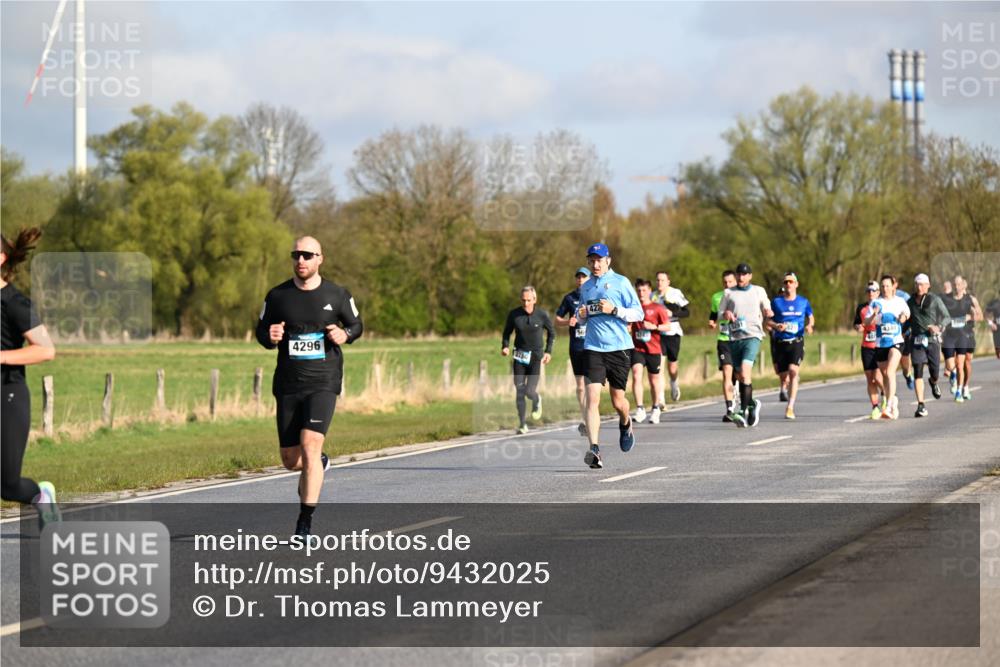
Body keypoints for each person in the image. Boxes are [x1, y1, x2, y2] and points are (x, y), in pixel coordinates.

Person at [256, 236, 363, 536]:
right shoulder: (277, 296)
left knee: (311, 444)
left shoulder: (337, 294)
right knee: (291, 460)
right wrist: (270, 335)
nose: (300, 260)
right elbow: (261, 331)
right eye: (296, 254)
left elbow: (357, 325)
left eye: (307, 255)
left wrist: (346, 335)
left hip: (324, 381)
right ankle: (320, 463)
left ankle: (305, 522)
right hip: (289, 384)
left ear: (320, 259)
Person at [1, 228, 60, 529]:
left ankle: (41, 496)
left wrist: (2, 356)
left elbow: (46, 350)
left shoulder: (14, 303)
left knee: (7, 485)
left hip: (8, 395)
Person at [576, 243, 643, 469]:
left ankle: (625, 422)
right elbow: (583, 315)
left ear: (608, 261)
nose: (595, 264)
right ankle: (594, 449)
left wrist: (614, 310)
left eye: (599, 260)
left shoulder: (621, 282)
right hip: (593, 348)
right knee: (592, 398)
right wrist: (581, 314)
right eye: (591, 260)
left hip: (619, 349)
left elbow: (638, 312)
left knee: (618, 401)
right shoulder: (585, 288)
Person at [718, 263, 774, 428]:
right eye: (739, 275)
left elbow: (766, 305)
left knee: (744, 370)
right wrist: (726, 314)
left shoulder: (758, 290)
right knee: (740, 377)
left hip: (753, 336)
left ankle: (742, 411)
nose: (741, 277)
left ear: (750, 276)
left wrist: (768, 311)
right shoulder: (728, 293)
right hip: (735, 338)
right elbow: (720, 313)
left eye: (744, 274)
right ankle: (751, 404)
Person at [502, 286, 555, 434]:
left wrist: (548, 352)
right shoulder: (514, 315)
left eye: (529, 300)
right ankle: (522, 424)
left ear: (535, 300)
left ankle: (536, 399)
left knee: (529, 391)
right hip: (519, 357)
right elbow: (506, 332)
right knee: (519, 390)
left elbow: (551, 333)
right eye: (523, 300)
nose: (526, 303)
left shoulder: (542, 315)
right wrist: (505, 346)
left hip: (535, 358)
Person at [769, 272, 814, 420]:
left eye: (791, 282)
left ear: (796, 284)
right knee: (782, 375)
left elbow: (811, 318)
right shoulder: (776, 302)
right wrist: (776, 325)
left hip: (796, 341)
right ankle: (785, 386)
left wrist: (809, 326)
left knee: (793, 371)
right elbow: (767, 321)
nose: (788, 284)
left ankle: (790, 407)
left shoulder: (803, 302)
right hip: (781, 343)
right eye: (786, 282)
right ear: (784, 284)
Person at [863, 274, 910, 420]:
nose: (885, 288)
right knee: (884, 376)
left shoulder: (900, 301)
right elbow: (866, 321)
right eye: (883, 286)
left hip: (896, 341)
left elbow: (907, 313)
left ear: (893, 286)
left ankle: (889, 406)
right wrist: (874, 315)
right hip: (880, 343)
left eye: (887, 286)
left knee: (890, 372)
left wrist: (903, 317)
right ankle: (893, 399)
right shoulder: (876, 303)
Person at [906, 274, 949, 417]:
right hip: (917, 341)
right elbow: (907, 321)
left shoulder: (935, 300)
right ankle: (921, 405)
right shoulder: (910, 302)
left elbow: (947, 317)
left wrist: (938, 327)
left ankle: (933, 382)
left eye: (922, 284)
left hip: (932, 341)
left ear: (928, 285)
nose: (919, 287)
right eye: (917, 284)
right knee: (918, 370)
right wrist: (901, 327)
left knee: (934, 372)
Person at [555, 267, 591, 436]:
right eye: (578, 277)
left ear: (589, 279)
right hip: (576, 346)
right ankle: (585, 418)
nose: (580, 280)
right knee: (580, 386)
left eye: (583, 277)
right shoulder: (569, 298)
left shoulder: (594, 296)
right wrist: (566, 322)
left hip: (593, 346)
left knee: (591, 384)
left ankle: (592, 414)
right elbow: (557, 319)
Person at [629, 278, 671, 424]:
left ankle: (655, 408)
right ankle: (640, 409)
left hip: (653, 349)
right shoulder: (633, 308)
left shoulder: (658, 308)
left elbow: (667, 326)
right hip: (637, 348)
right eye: (639, 290)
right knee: (636, 375)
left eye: (644, 290)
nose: (641, 293)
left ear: (649, 291)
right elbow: (628, 325)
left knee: (654, 381)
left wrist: (654, 327)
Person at [942, 275, 983, 402]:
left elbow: (980, 316)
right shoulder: (948, 300)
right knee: (956, 362)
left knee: (967, 362)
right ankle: (955, 379)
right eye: (954, 284)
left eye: (959, 284)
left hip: (967, 333)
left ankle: (965, 386)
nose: (956, 286)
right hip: (951, 334)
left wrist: (970, 317)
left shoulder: (970, 300)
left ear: (964, 285)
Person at [651, 271, 689, 403]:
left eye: (662, 280)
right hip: (658, 333)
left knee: (672, 367)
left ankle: (674, 382)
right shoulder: (653, 296)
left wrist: (671, 312)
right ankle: (660, 399)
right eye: (657, 280)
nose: (659, 283)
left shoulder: (675, 293)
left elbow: (687, 312)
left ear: (668, 282)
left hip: (673, 332)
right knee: (659, 367)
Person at [709, 270, 738, 421]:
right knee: (727, 371)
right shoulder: (716, 297)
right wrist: (712, 321)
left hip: (740, 339)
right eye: (725, 282)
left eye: (730, 282)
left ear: (736, 281)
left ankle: (739, 392)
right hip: (724, 339)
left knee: (739, 374)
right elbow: (713, 313)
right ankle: (730, 408)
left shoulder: (741, 296)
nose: (727, 285)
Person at [854, 281, 886, 419]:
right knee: (869, 379)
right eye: (869, 291)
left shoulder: (883, 306)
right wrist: (858, 327)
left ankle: (886, 394)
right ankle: (875, 406)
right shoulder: (861, 307)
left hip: (879, 346)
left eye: (873, 291)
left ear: (878, 292)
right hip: (866, 347)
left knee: (878, 378)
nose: (871, 293)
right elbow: (856, 323)